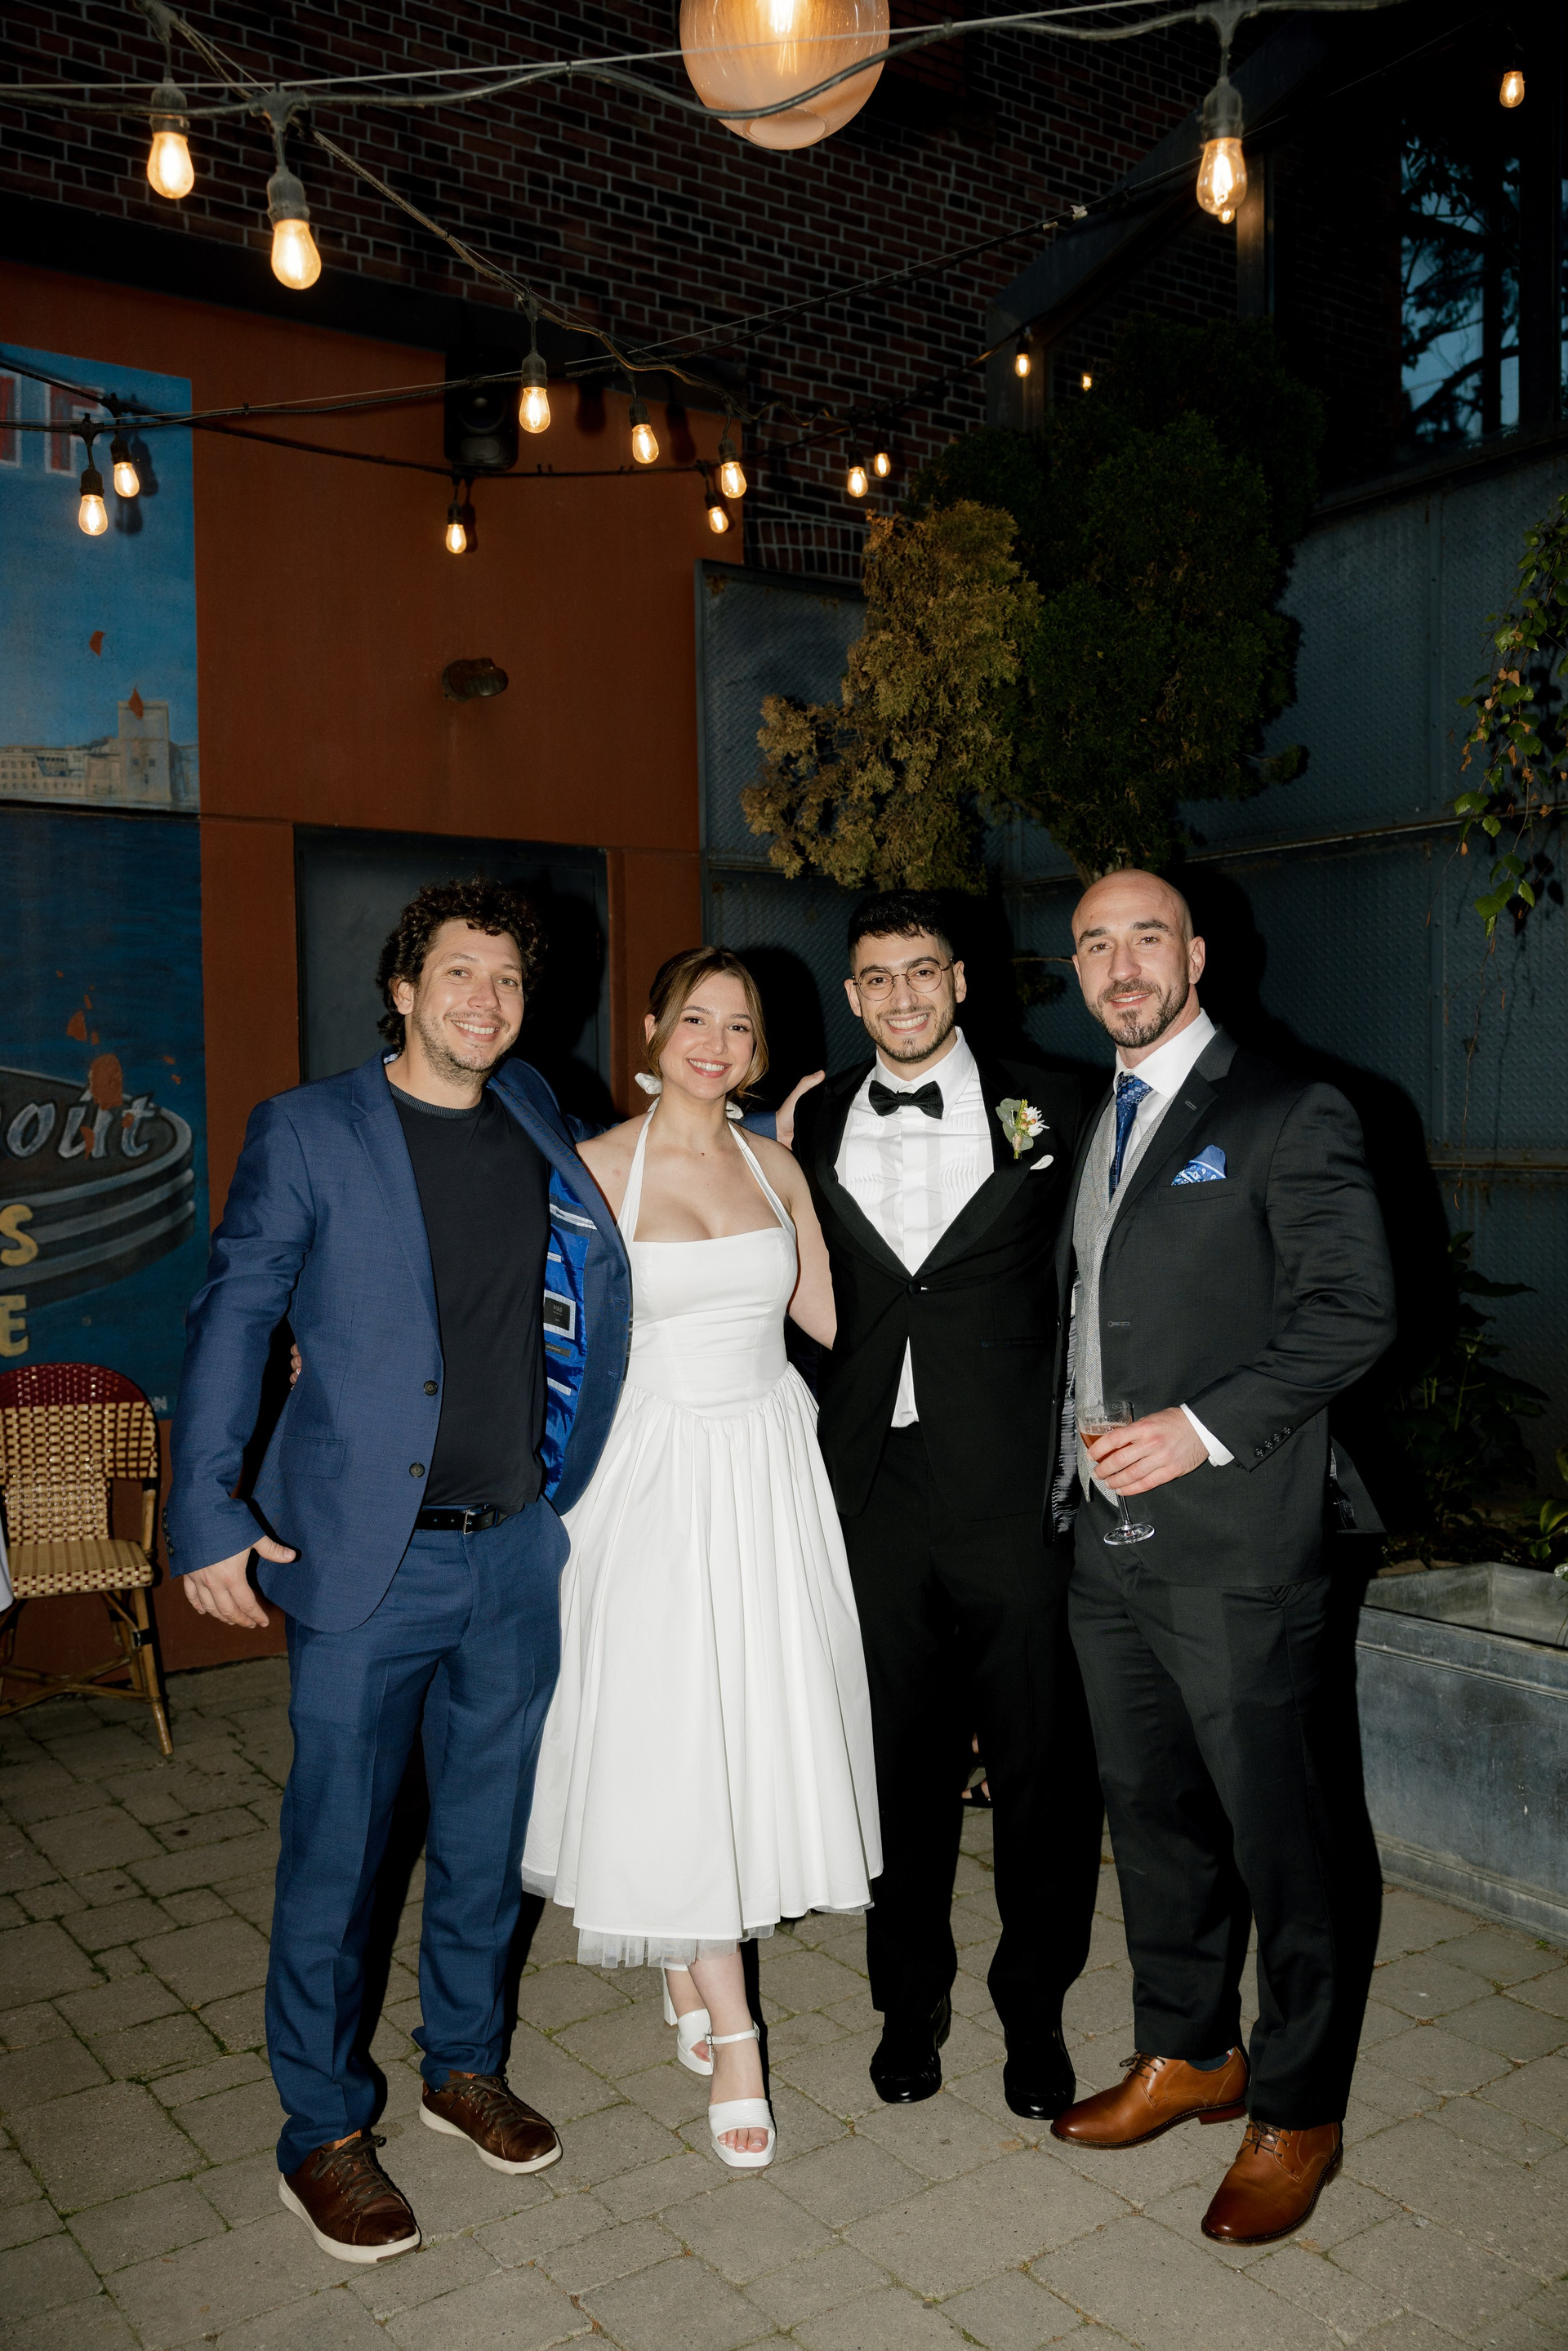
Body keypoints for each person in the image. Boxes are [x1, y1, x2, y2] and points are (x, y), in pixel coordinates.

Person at [165, 879, 631, 2265]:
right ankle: (321, 2129)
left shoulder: (534, 1107)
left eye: (508, 979)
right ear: (403, 988)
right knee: (342, 1855)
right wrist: (206, 1511)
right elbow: (235, 1313)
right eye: (459, 972)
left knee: (486, 1838)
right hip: (368, 1560)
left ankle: (463, 2065)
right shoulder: (309, 1129)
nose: (486, 1000)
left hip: (515, 1548)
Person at [1047, 868, 1393, 2247]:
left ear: (1197, 955)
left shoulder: (1289, 1109)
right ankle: (1190, 2049)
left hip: (1239, 1544)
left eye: (1147, 938)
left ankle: (1298, 2108)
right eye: (1095, 945)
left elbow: (1353, 1310)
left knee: (1284, 1839)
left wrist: (1199, 1430)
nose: (1122, 965)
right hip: (1106, 1544)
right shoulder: (1096, 1116)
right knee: (1153, 1818)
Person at [521, 947, 880, 2170]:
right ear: (655, 1028)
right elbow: (528, 1325)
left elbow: (834, 1318)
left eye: (739, 1024)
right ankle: (736, 2036)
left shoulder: (777, 1166)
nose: (716, 1043)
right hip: (653, 1479)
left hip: (771, 1467)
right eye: (697, 1019)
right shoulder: (592, 1169)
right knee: (673, 1739)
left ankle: (685, 1956)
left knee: (743, 1730)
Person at [788, 890, 1103, 2119]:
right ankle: (906, 2001)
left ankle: (1035, 2011)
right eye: (876, 978)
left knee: (1040, 1764)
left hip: (1015, 1483)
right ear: (853, 995)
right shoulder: (815, 1116)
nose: (901, 996)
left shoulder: (1059, 1103)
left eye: (922, 971)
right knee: (895, 1766)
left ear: (960, 979)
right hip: (875, 1483)